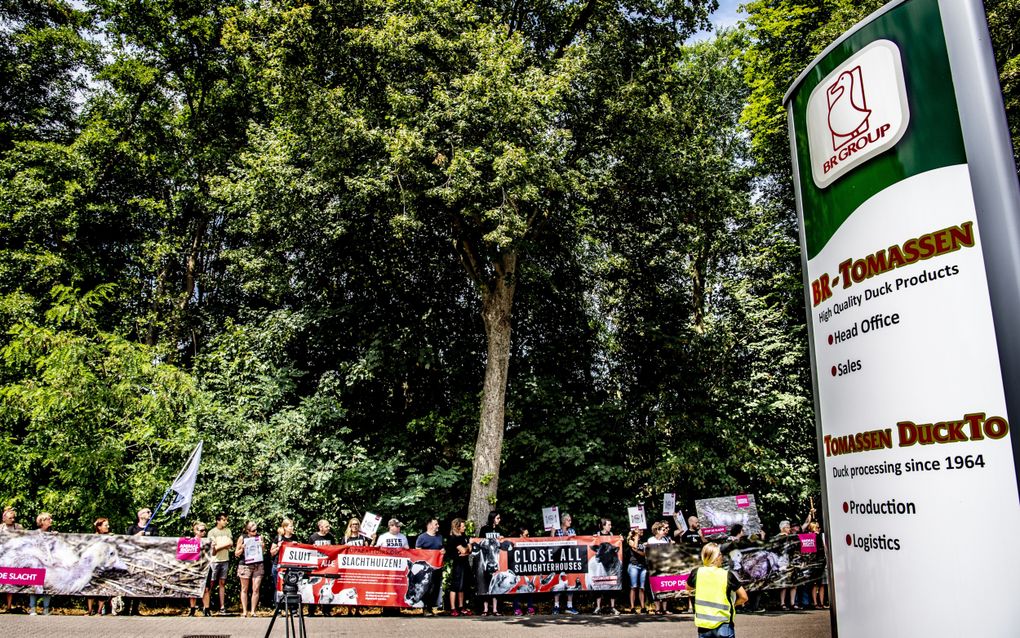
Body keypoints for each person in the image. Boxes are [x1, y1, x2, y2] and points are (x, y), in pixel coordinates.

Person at [688, 542, 748, 637]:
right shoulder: (727, 575)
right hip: (724, 625)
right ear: (715, 557)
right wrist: (734, 604)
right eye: (720, 554)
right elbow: (744, 597)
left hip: (703, 626)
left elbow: (688, 587)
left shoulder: (697, 573)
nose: (722, 556)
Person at [124, 507, 158, 616]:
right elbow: (125, 541)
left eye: (150, 512)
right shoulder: (132, 528)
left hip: (145, 559)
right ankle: (126, 608)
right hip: (132, 559)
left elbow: (157, 542)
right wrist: (137, 536)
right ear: (141, 515)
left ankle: (135, 608)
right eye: (148, 512)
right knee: (129, 582)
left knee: (139, 583)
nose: (150, 513)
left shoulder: (153, 528)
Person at [550, 512, 580, 615]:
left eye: (570, 520)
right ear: (563, 521)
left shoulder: (571, 530)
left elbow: (577, 542)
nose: (570, 522)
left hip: (569, 560)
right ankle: (556, 606)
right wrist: (553, 533)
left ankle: (569, 606)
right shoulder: (557, 531)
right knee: (558, 583)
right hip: (558, 560)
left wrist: (572, 537)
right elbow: (551, 544)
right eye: (568, 520)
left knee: (570, 583)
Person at [414, 517, 444, 616]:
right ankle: (425, 608)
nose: (438, 526)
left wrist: (444, 551)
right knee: (426, 587)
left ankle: (431, 607)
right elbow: (417, 551)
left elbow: (442, 549)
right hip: (425, 569)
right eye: (436, 524)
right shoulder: (422, 537)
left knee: (435, 588)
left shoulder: (439, 537)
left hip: (437, 567)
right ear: (430, 525)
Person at [235, 521, 264, 617]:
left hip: (258, 564)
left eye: (256, 530)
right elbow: (236, 553)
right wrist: (242, 548)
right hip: (245, 564)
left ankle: (253, 611)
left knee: (256, 588)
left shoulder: (259, 537)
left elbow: (262, 552)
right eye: (253, 531)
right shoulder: (242, 538)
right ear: (247, 530)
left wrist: (262, 546)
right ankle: (244, 611)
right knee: (244, 588)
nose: (255, 532)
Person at [477, 511, 504, 616]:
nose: (499, 520)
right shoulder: (484, 529)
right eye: (498, 518)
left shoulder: (499, 529)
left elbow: (502, 544)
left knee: (495, 584)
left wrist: (502, 539)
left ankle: (495, 609)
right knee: (485, 584)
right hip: (485, 561)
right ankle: (485, 609)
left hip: (495, 561)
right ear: (492, 518)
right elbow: (480, 542)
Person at [306, 519, 335, 616]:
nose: (328, 528)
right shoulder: (313, 537)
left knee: (327, 587)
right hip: (316, 567)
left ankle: (326, 610)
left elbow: (335, 550)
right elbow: (308, 551)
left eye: (329, 526)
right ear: (320, 527)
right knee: (314, 587)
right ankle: (311, 610)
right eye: (326, 526)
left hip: (327, 566)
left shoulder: (331, 537)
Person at [592, 518, 620, 616]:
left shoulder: (612, 536)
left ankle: (612, 607)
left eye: (610, 525)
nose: (610, 526)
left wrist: (620, 540)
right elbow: (592, 545)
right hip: (600, 567)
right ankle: (598, 607)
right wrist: (594, 538)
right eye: (608, 524)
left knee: (612, 586)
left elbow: (616, 546)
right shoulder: (597, 534)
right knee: (599, 586)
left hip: (611, 566)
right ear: (603, 525)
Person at [28, 512, 54, 615]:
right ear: (42, 521)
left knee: (47, 585)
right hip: (36, 563)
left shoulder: (52, 534)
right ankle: (33, 608)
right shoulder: (34, 534)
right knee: (34, 585)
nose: (51, 521)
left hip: (48, 564)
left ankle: (46, 609)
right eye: (48, 519)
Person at [445, 518, 472, 617]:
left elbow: (469, 550)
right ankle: (453, 608)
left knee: (462, 586)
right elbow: (464, 550)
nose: (464, 527)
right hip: (457, 564)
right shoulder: (453, 538)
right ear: (457, 527)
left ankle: (461, 607)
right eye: (463, 526)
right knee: (455, 586)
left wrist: (467, 549)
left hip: (464, 563)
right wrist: (466, 549)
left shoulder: (463, 536)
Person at [207, 512, 233, 615]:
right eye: (223, 520)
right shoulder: (212, 532)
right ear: (218, 520)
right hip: (214, 561)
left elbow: (230, 544)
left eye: (226, 520)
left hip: (224, 560)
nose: (225, 522)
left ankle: (222, 607)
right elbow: (214, 549)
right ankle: (207, 606)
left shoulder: (228, 531)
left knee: (222, 583)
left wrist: (221, 545)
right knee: (211, 584)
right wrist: (225, 544)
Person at [86, 518, 112, 616]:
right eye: (106, 525)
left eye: (108, 525)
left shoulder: (110, 537)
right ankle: (89, 610)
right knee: (91, 587)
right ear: (99, 527)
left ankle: (99, 611)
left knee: (102, 587)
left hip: (104, 565)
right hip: (93, 565)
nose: (108, 527)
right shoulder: (92, 537)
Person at [647, 521, 673, 615]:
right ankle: (658, 609)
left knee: (665, 587)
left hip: (665, 566)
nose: (665, 530)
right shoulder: (651, 540)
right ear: (657, 530)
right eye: (663, 529)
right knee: (656, 587)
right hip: (654, 567)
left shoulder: (666, 540)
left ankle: (665, 609)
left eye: (665, 529)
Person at [270, 518, 298, 603]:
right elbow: (272, 552)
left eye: (292, 526)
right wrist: (278, 547)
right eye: (290, 526)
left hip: (290, 566)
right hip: (278, 565)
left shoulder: (294, 537)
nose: (292, 528)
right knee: (278, 587)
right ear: (285, 527)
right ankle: (278, 609)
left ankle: (291, 608)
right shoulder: (278, 538)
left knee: (291, 587)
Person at [510, 526, 536, 616]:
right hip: (517, 569)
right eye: (526, 535)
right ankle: (516, 608)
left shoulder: (530, 544)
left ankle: (530, 607)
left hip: (527, 568)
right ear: (520, 536)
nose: (528, 536)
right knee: (518, 587)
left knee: (530, 586)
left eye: (529, 534)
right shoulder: (513, 544)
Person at [2, 508, 24, 612]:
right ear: (4, 518)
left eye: (13, 517)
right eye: (10, 518)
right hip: (2, 557)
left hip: (13, 558)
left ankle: (9, 606)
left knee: (9, 581)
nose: (13, 519)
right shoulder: (0, 528)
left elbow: (26, 538)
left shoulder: (18, 527)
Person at [187, 521, 211, 616]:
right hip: (193, 567)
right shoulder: (190, 541)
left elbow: (213, 554)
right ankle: (192, 610)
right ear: (195, 531)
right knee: (192, 588)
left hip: (205, 567)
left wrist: (214, 547)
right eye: (201, 530)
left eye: (204, 530)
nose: (203, 532)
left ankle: (207, 609)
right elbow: (185, 556)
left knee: (206, 589)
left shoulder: (208, 541)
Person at [773, 520, 797, 611]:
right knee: (784, 583)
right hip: (781, 563)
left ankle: (792, 603)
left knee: (794, 583)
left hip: (790, 561)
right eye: (787, 527)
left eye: (789, 526)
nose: (789, 528)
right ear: (782, 528)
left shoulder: (791, 537)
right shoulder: (778, 537)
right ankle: (782, 603)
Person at [626, 528, 648, 614]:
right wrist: (636, 536)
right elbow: (634, 546)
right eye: (640, 530)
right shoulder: (630, 540)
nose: (641, 532)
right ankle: (632, 607)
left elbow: (644, 554)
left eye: (642, 530)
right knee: (633, 587)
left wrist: (637, 551)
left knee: (642, 588)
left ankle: (643, 607)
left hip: (642, 566)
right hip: (633, 566)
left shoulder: (642, 542)